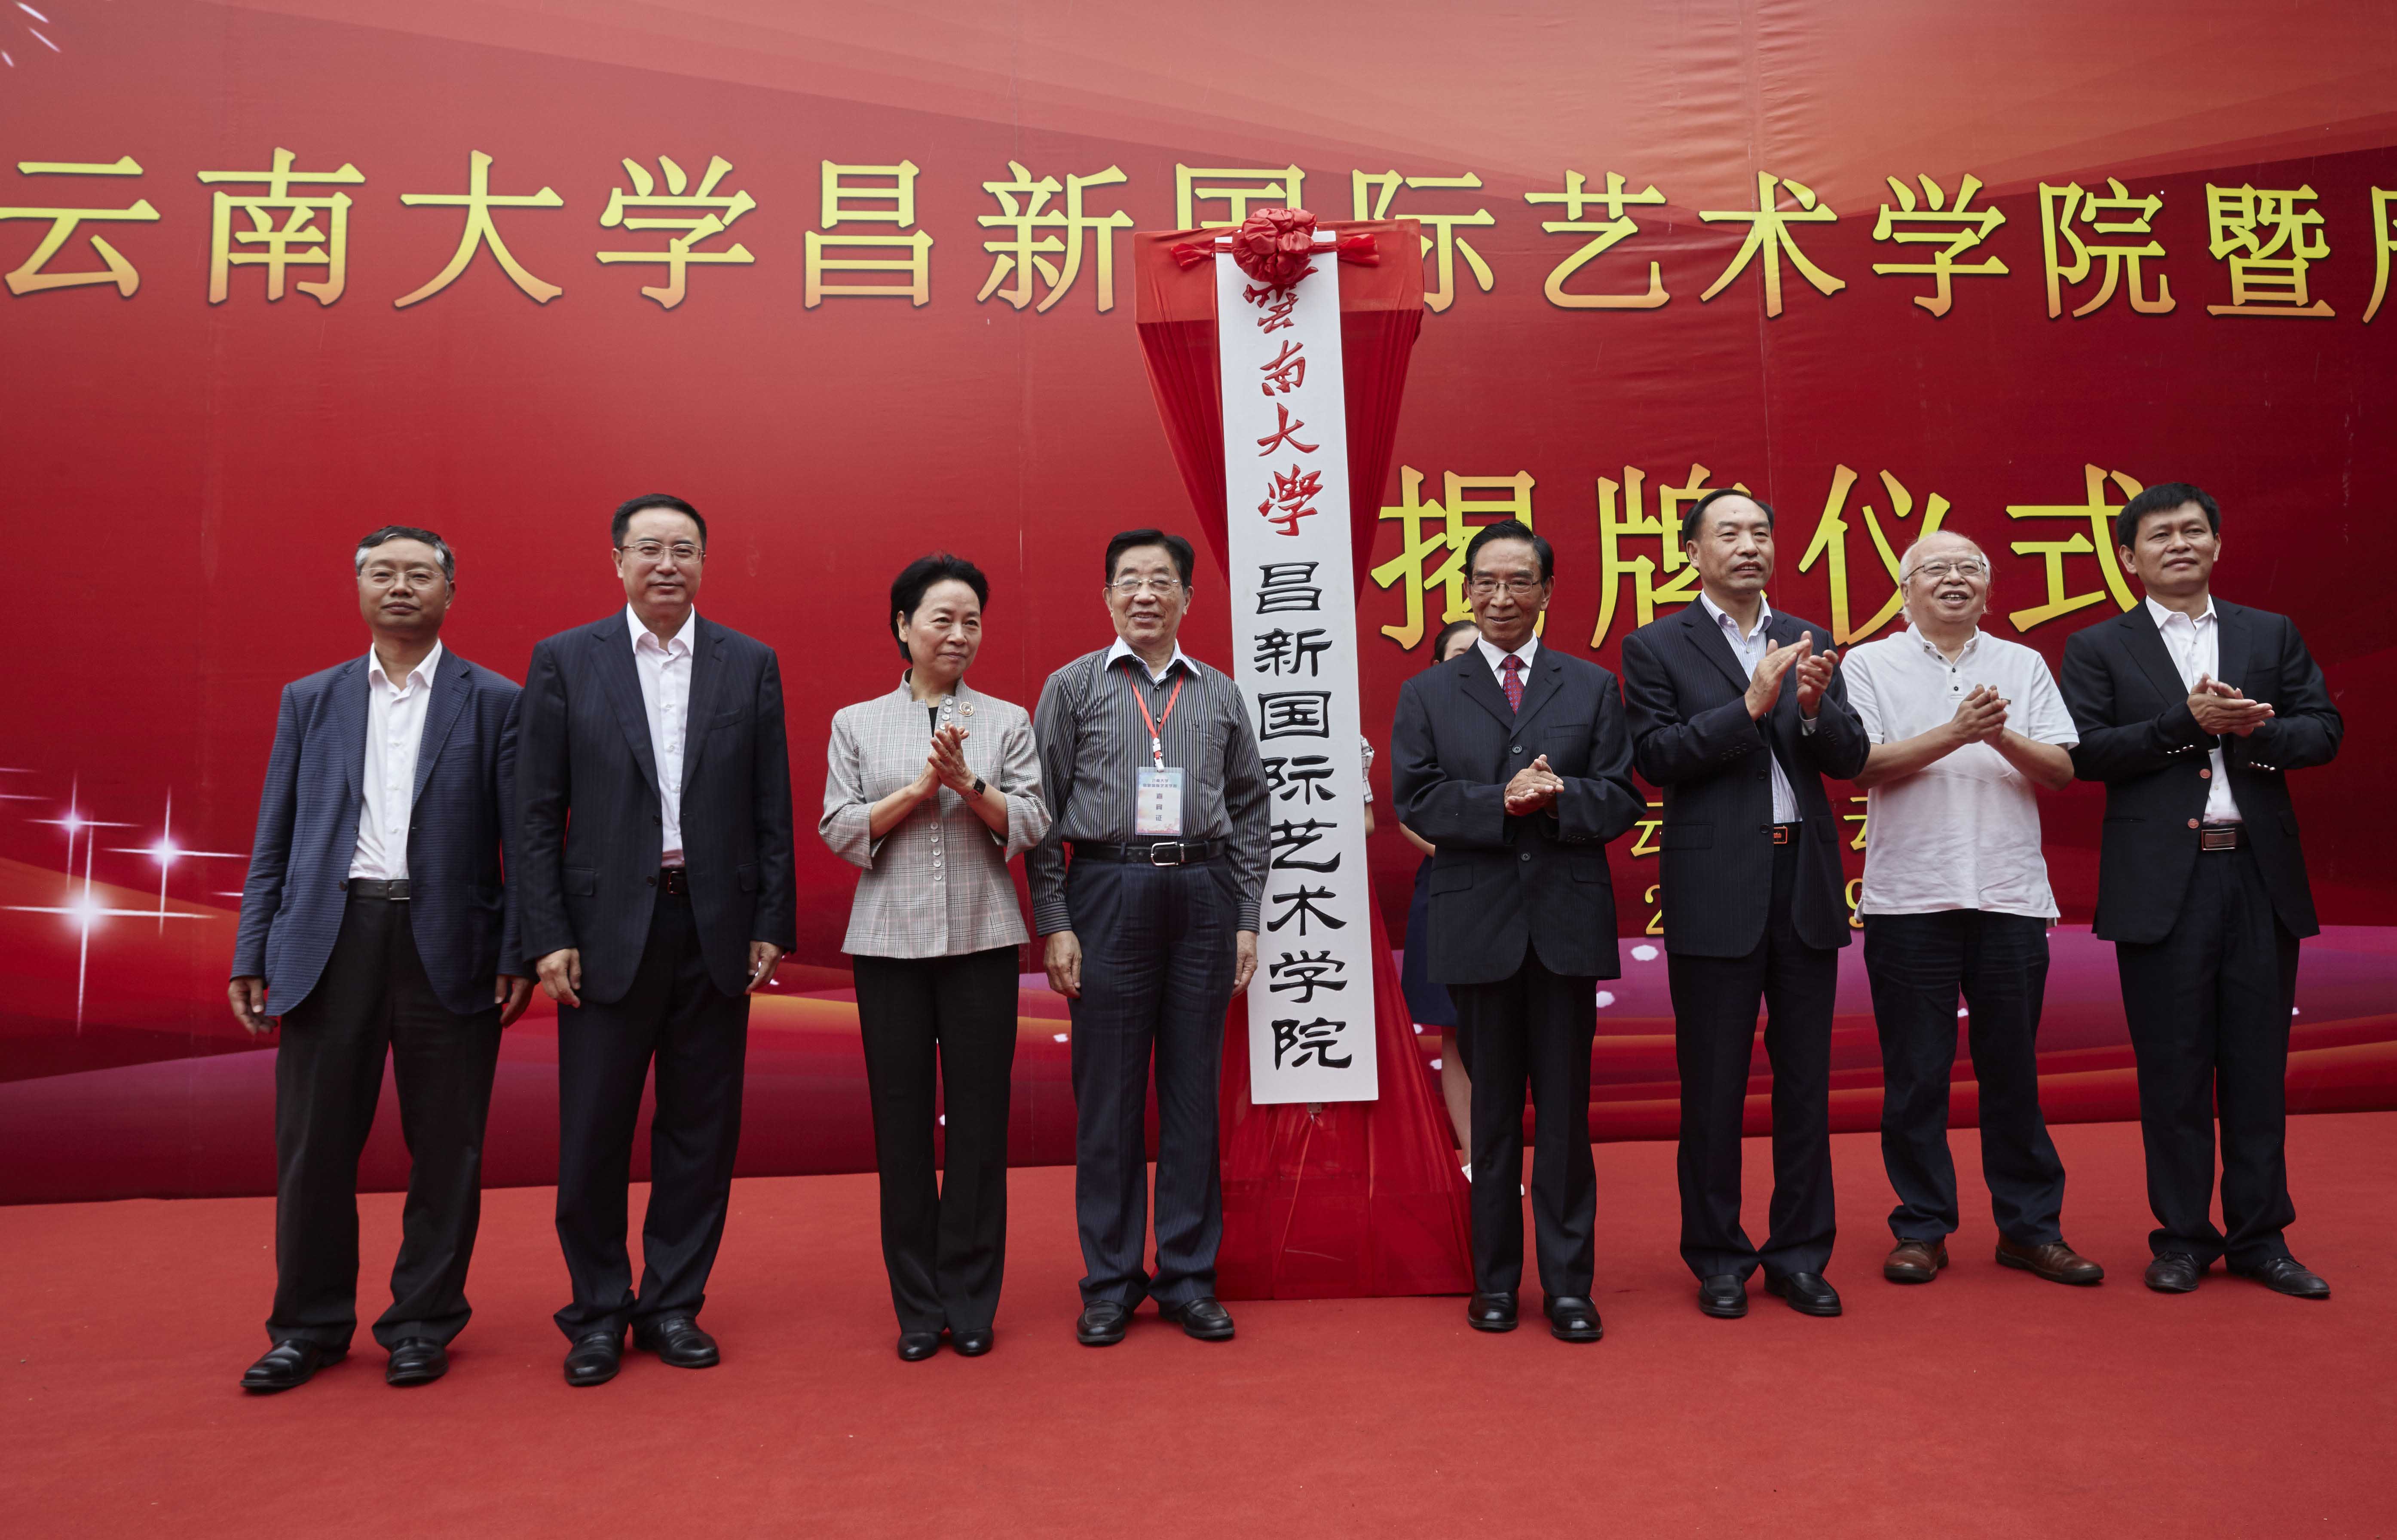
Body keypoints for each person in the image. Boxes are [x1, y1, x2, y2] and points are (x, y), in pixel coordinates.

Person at [228, 526, 531, 1393]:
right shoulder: (311, 700)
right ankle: (308, 1327)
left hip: (452, 948)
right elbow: (274, 839)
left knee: (448, 1150)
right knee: (313, 1148)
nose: (401, 586)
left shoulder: (496, 701)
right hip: (331, 941)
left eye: (420, 574)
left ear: (449, 591)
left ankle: (422, 1322)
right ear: (359, 588)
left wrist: (516, 947)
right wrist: (254, 947)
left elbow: (522, 843)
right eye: (383, 573)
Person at [517, 493, 797, 1387]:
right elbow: (533, 814)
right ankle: (597, 1311)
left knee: (699, 1132)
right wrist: (547, 934)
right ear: (617, 561)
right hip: (601, 934)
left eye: (683, 549)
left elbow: (770, 808)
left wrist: (770, 921)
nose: (665, 564)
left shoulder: (748, 664)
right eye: (648, 549)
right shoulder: (567, 660)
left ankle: (674, 1303)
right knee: (594, 1131)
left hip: (712, 925)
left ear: (705, 563)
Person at [2060, 483, 2342, 1300]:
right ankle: (2181, 1235)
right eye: (2159, 535)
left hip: (2256, 871)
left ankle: (2261, 1236)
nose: (2178, 544)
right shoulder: (2097, 647)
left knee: (2257, 1067)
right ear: (2128, 557)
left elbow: (2322, 730)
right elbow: (2085, 753)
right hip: (2162, 887)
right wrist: (2188, 724)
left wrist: (2256, 731)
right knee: (2173, 1070)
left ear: (2216, 545)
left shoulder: (2267, 632)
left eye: (2193, 531)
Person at [1619, 489, 1870, 1320]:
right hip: (1715, 888)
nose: (1749, 545)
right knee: (1714, 1085)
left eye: (1761, 531)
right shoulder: (1656, 645)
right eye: (1728, 533)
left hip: (1801, 881)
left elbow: (1849, 753)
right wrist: (1751, 705)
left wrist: (1807, 705)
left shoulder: (1810, 637)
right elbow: (1655, 757)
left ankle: (1800, 1254)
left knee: (1805, 1085)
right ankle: (1718, 1255)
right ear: (1692, 550)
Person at [1391, 521, 1642, 1343]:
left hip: (1564, 927)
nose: (1501, 598)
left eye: (1519, 582)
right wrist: (1500, 801)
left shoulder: (1590, 684)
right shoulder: (1430, 690)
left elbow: (1620, 798)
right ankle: (1493, 1282)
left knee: (1565, 1119)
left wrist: (1559, 796)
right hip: (1479, 927)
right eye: (1486, 582)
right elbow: (1416, 799)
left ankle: (1570, 1285)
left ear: (1545, 592)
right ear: (1465, 589)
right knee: (1492, 1117)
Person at [1027, 529, 1269, 1347]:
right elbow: (1036, 817)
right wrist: (1056, 923)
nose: (1144, 594)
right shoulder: (1070, 689)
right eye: (1127, 580)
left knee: (1193, 1095)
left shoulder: (1221, 695)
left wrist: (1245, 915)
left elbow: (1250, 811)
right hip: (1107, 887)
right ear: (1106, 597)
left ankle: (1189, 1277)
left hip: (1202, 891)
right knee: (1108, 1099)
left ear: (1187, 598)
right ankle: (1110, 1279)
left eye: (1161, 580)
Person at [1842, 532, 2103, 1287]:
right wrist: (1954, 732)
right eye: (1936, 569)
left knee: (2012, 1071)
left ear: (1989, 591)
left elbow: (2061, 768)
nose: (1954, 579)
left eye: (1970, 569)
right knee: (1916, 1075)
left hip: (2009, 895)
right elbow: (1857, 763)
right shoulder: (1868, 663)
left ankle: (2030, 1229)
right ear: (1904, 590)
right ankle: (1921, 1226)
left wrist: (1998, 733)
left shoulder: (2020, 664)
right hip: (1909, 897)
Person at [820, 554, 1049, 1361]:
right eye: (941, 619)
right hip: (887, 947)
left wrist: (967, 782)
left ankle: (972, 1296)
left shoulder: (1008, 720)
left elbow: (1029, 821)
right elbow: (840, 828)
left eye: (971, 621)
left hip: (983, 942)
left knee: (981, 1127)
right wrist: (920, 790)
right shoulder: (856, 722)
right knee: (903, 1127)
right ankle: (918, 1306)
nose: (958, 634)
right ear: (902, 627)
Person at [1399, 618, 1484, 1162]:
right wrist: (1467, 853)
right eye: (1458, 655)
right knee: (1457, 1030)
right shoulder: (1423, 716)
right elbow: (1407, 814)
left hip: (1519, 887)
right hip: (1450, 886)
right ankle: (1477, 1157)